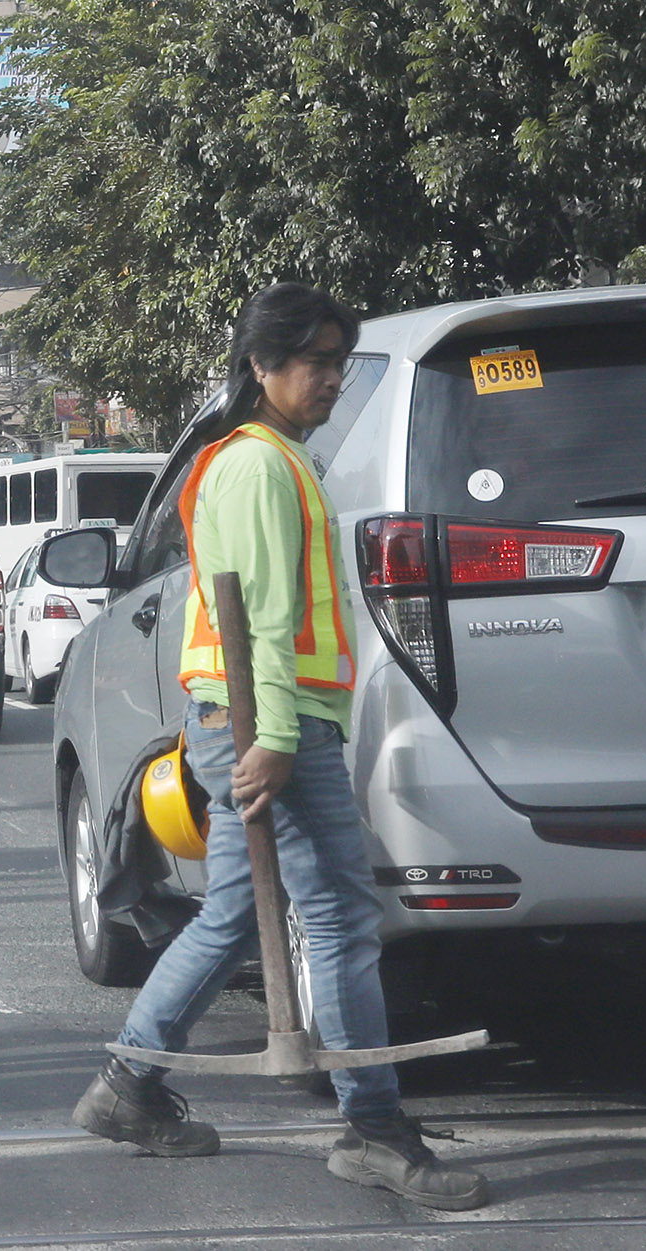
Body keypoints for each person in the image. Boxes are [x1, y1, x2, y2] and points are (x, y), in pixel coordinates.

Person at [73, 284, 486, 1212]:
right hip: (264, 723)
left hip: (250, 721)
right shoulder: (259, 467)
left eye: (339, 362)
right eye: (314, 363)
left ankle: (126, 1087)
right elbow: (262, 617)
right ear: (261, 369)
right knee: (339, 917)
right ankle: (375, 1129)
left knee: (229, 915)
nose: (332, 379)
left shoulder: (274, 460)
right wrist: (280, 740)